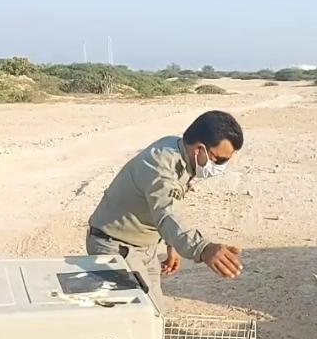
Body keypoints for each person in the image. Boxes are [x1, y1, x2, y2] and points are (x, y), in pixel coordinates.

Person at [86, 110, 245, 307]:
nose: (221, 166)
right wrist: (203, 248)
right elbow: (167, 214)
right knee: (139, 317)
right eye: (219, 160)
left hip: (144, 247)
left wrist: (172, 246)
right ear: (199, 150)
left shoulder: (177, 148)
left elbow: (167, 205)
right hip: (115, 247)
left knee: (155, 313)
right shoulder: (161, 167)